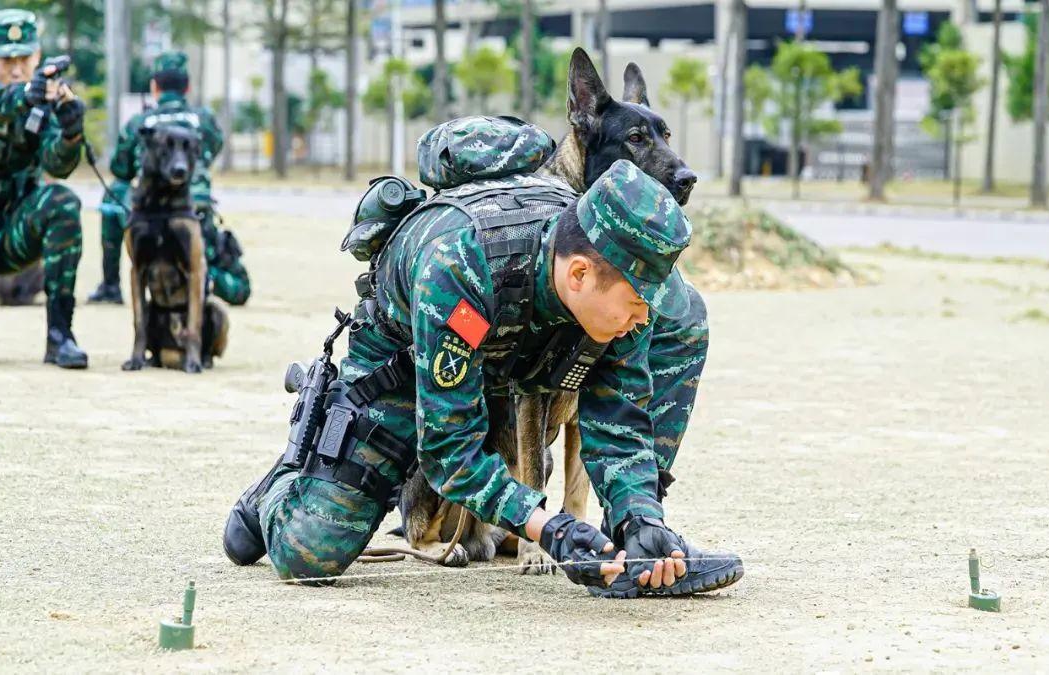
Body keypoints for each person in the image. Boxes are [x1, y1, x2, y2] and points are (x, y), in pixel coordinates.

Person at [223, 159, 744, 597]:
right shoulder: (461, 268)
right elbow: (449, 449)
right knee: (310, 553)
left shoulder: (616, 282)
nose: (642, 319)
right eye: (635, 304)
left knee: (681, 319)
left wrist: (639, 515)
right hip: (409, 360)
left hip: (516, 346)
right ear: (580, 274)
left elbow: (618, 418)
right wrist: (550, 527)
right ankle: (283, 484)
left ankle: (632, 546)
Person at [88, 51, 250, 306]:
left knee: (113, 194)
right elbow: (212, 151)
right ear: (187, 87)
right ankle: (206, 277)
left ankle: (110, 285)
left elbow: (120, 169)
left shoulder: (141, 123)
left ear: (154, 87)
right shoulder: (204, 120)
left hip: (148, 219)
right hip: (195, 215)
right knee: (239, 288)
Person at [0, 9, 87, 368]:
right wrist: (22, 97)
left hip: (13, 227)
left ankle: (60, 336)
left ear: (37, 56)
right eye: (5, 59)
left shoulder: (42, 98)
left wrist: (71, 132)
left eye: (24, 58)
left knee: (63, 203)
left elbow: (57, 165)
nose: (16, 69)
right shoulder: (24, 94)